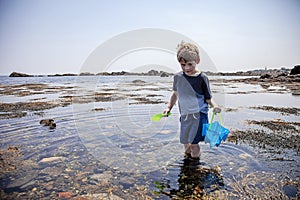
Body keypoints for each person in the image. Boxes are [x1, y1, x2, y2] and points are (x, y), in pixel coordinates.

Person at [163, 41, 221, 160]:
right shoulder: (178, 77)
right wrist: (168, 107)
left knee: (194, 143)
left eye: (190, 64)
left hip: (198, 115)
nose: (187, 68)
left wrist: (215, 106)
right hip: (184, 116)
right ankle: (187, 161)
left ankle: (195, 165)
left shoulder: (202, 78)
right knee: (185, 141)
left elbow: (208, 98)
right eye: (183, 65)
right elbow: (175, 94)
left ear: (197, 60)